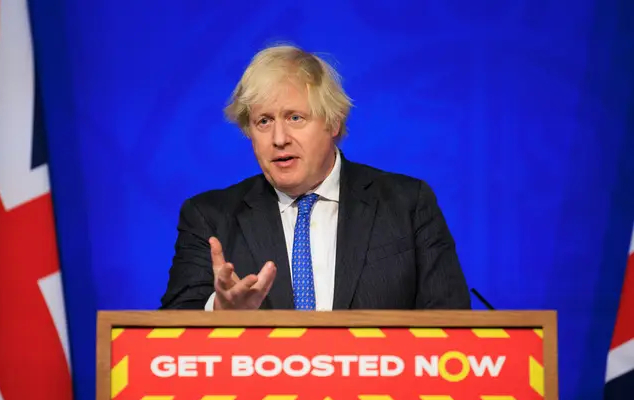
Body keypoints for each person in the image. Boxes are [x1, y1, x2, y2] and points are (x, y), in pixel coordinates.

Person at [160, 44, 470, 312]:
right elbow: (166, 334)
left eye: (295, 117)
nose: (279, 138)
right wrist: (220, 311)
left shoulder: (406, 204)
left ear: (333, 122)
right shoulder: (209, 217)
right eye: (264, 121)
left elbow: (450, 320)